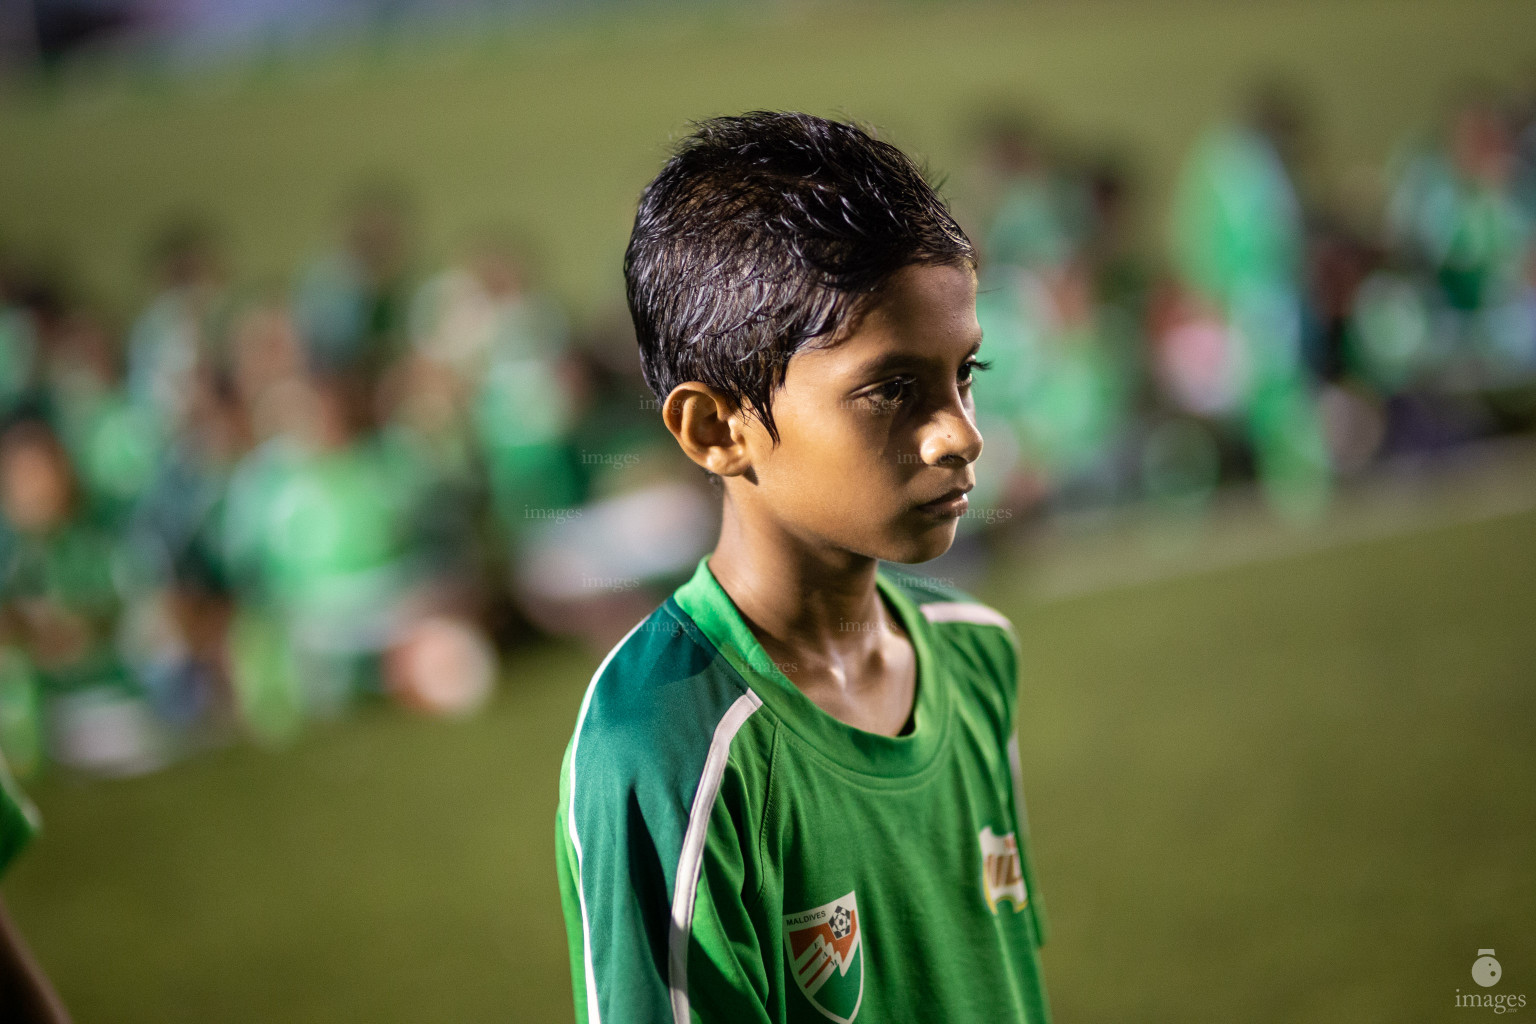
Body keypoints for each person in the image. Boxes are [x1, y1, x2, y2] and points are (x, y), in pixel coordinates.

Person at [554, 112, 1051, 1024]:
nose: (961, 433)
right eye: (892, 389)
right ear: (717, 429)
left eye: (964, 374)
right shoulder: (666, 745)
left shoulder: (977, 656)